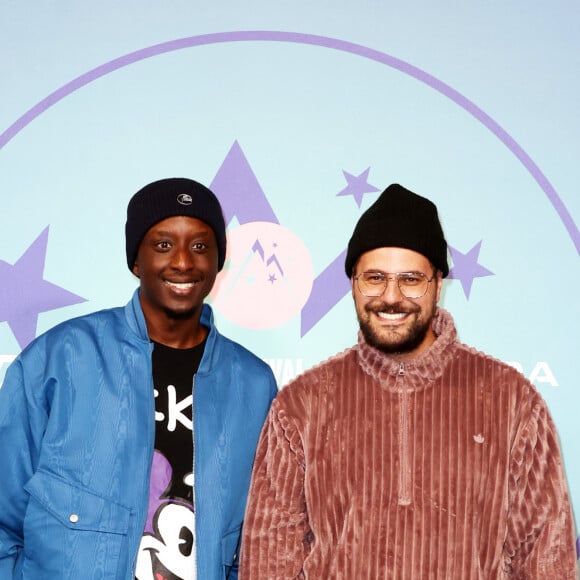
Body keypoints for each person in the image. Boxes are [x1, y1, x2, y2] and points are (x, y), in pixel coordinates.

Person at [239, 183, 578, 579]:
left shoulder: (511, 401)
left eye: (411, 279)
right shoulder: (301, 404)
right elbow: (268, 560)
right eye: (375, 278)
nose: (391, 297)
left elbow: (544, 557)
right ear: (353, 283)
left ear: (438, 283)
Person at [0, 177, 277, 579]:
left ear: (218, 262)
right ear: (136, 260)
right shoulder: (58, 360)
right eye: (163, 245)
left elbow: (261, 539)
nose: (183, 262)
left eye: (200, 246)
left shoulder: (254, 384)